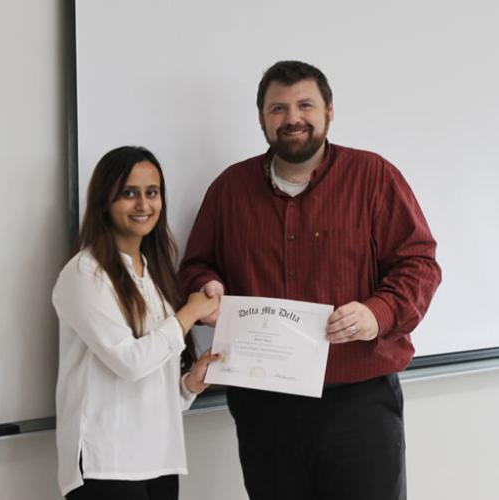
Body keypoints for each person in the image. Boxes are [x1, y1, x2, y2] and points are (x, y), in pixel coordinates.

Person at [179, 61, 442, 500]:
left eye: (305, 105)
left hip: (358, 403)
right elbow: (195, 266)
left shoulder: (374, 178)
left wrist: (379, 313)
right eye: (277, 108)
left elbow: (420, 263)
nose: (292, 118)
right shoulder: (229, 189)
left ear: (329, 111)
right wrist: (209, 289)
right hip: (265, 407)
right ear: (261, 118)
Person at [52, 146, 219, 500]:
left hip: (159, 458)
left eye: (152, 193)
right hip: (106, 462)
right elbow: (130, 363)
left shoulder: (153, 274)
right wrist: (188, 314)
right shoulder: (85, 273)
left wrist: (189, 385)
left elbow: (151, 383)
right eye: (129, 193)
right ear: (104, 201)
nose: (144, 205)